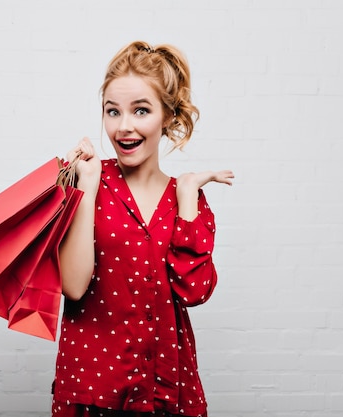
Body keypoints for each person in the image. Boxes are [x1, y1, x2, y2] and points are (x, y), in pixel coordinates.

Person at [52, 41, 234, 417]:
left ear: (167, 116)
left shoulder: (188, 199)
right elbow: (73, 285)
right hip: (92, 388)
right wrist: (86, 184)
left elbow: (194, 291)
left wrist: (186, 197)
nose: (124, 126)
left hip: (165, 388)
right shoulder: (85, 180)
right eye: (112, 111)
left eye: (141, 110)